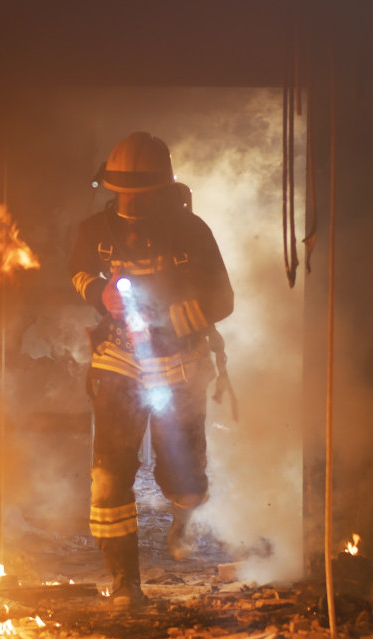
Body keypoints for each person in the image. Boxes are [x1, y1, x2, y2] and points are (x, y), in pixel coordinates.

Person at [68, 131, 234, 609]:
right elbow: (78, 272)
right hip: (118, 359)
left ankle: (184, 514)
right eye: (124, 195)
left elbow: (224, 297)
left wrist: (185, 312)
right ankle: (124, 583)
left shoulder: (193, 232)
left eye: (142, 196)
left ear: (164, 190)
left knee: (180, 473)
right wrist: (99, 293)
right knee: (108, 475)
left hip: (181, 365)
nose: (132, 207)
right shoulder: (92, 231)